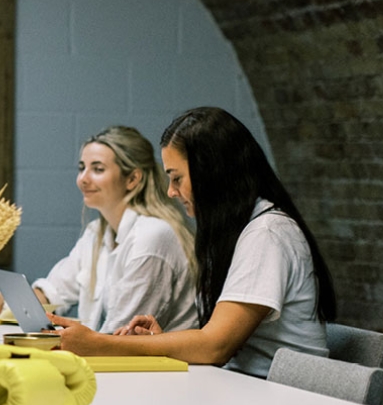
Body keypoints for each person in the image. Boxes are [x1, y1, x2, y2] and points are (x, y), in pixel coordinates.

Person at [52, 107, 337, 377]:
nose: (171, 192)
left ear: (211, 174)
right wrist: (162, 341)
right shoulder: (238, 230)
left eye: (177, 178)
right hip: (244, 386)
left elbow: (216, 346)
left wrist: (101, 345)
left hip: (283, 398)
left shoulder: (268, 232)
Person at [0, 126, 198, 334]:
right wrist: (1, 301)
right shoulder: (96, 233)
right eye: (82, 168)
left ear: (132, 179)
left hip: (175, 370)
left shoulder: (152, 235)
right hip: (124, 361)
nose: (83, 179)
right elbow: (54, 291)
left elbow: (123, 333)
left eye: (97, 169)